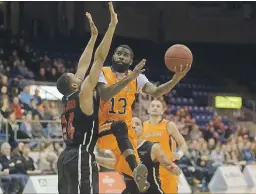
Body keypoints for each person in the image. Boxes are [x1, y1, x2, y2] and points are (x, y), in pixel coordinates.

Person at [96, 41, 190, 193]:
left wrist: (175, 79)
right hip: (105, 127)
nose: (121, 57)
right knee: (121, 134)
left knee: (134, 175)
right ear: (113, 56)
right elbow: (105, 95)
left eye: (125, 55)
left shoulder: (138, 78)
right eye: (118, 53)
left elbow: (157, 92)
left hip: (126, 134)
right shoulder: (102, 72)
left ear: (131, 61)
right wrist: (130, 77)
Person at [56, 3, 118, 194]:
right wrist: (112, 26)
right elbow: (99, 59)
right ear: (74, 84)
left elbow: (83, 65)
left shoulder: (67, 99)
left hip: (65, 157)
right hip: (81, 156)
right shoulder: (83, 92)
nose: (78, 75)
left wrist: (92, 38)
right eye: (74, 76)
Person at [142, 99, 188, 194]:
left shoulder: (169, 125)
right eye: (153, 106)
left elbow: (183, 144)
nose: (155, 107)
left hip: (167, 170)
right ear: (148, 110)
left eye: (158, 106)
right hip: (150, 173)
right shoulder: (142, 126)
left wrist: (179, 154)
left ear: (162, 111)